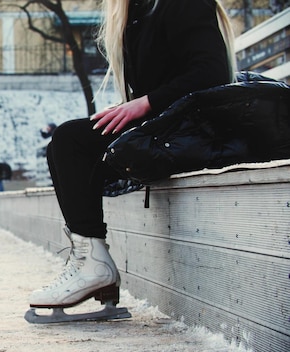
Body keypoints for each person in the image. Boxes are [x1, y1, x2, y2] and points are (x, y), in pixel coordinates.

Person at [29, 0, 236, 315]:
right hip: (170, 128)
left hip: (198, 131)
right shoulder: (135, 12)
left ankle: (94, 265)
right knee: (67, 144)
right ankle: (90, 258)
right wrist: (130, 107)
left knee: (71, 141)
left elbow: (212, 72)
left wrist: (144, 104)